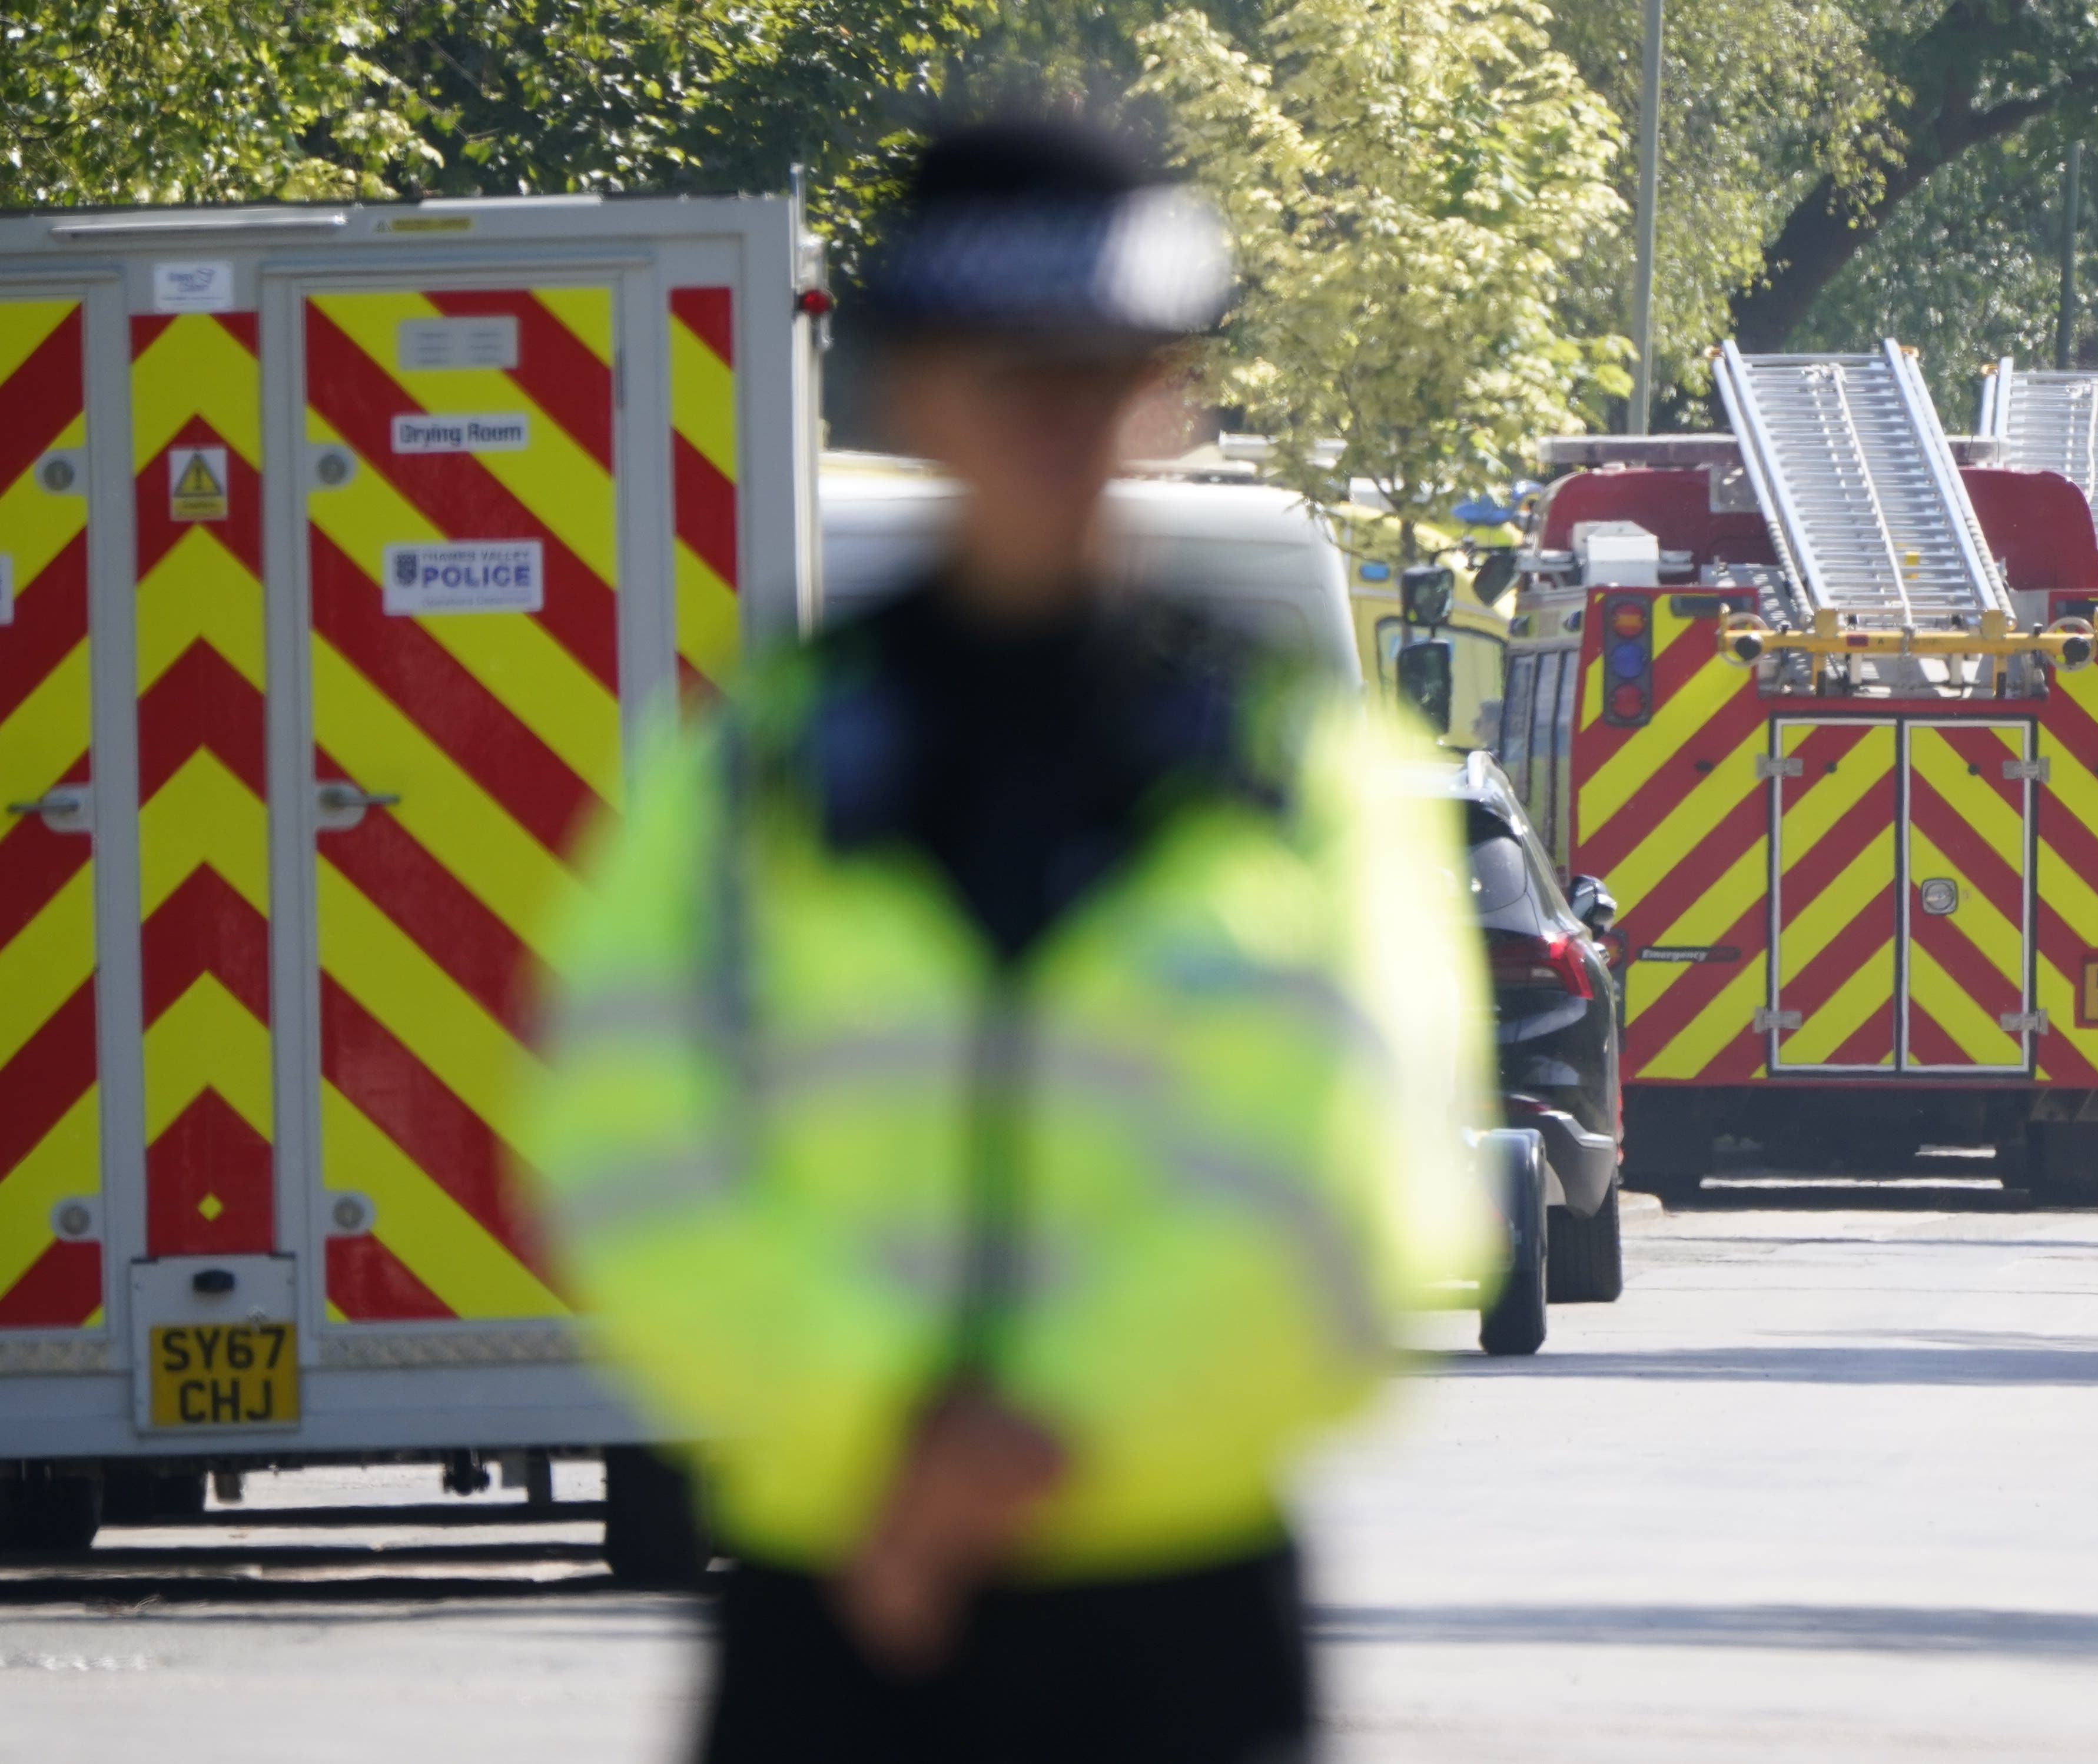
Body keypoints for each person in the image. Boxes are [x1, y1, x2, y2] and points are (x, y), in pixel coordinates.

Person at [524, 117, 1496, 1763]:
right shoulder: (751, 780)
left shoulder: (1304, 782)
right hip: (833, 1615)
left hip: (1172, 1629)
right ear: (910, 386)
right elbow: (629, 1161)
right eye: (1006, 366)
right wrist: (888, 1434)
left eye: (1102, 367)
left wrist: (1028, 1449)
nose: (1058, 416)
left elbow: (1365, 1192)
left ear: (1170, 389)